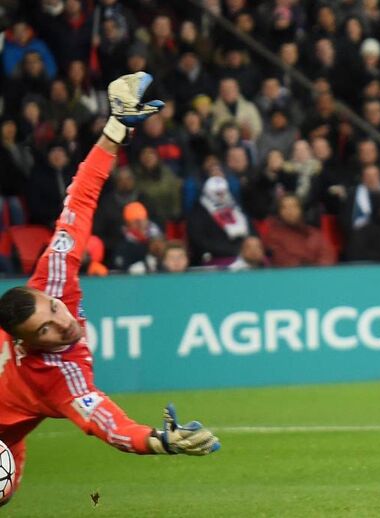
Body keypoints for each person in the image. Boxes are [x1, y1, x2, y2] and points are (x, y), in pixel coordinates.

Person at [0, 72, 219, 506]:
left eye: (53, 311)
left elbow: (80, 199)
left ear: (46, 294)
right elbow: (106, 424)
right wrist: (160, 441)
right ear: (25, 344)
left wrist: (115, 128)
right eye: (44, 331)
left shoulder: (55, 274)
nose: (61, 324)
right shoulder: (54, 377)